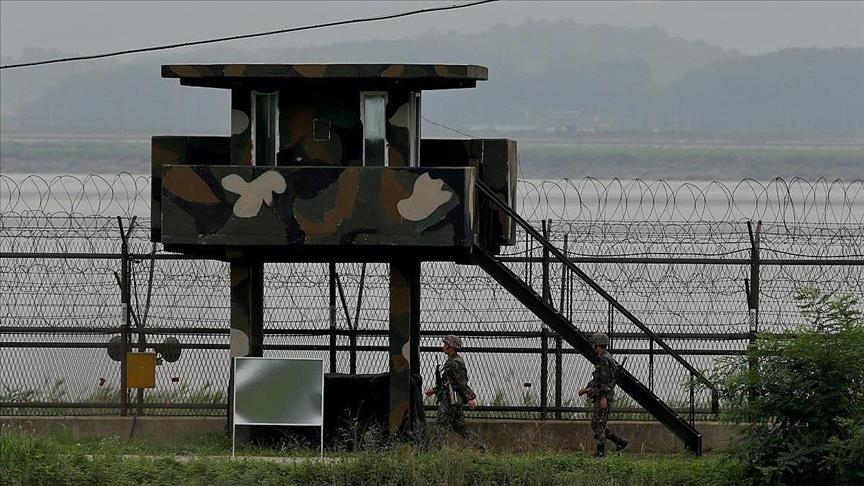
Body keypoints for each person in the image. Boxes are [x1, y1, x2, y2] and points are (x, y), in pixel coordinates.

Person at [424, 334, 486, 450]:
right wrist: (434, 390)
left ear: (451, 347)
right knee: (459, 426)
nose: (443, 346)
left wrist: (470, 398)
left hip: (450, 399)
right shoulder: (452, 361)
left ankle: (435, 451)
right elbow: (448, 382)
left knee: (441, 424)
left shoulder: (455, 363)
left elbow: (461, 382)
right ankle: (480, 447)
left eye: (445, 344)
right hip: (452, 398)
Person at [578, 332, 628, 457]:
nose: (593, 346)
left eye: (594, 344)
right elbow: (598, 380)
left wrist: (603, 398)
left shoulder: (604, 360)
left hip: (603, 396)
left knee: (598, 424)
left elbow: (605, 381)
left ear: (598, 344)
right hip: (602, 395)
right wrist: (587, 389)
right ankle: (620, 442)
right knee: (599, 424)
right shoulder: (605, 357)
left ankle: (600, 452)